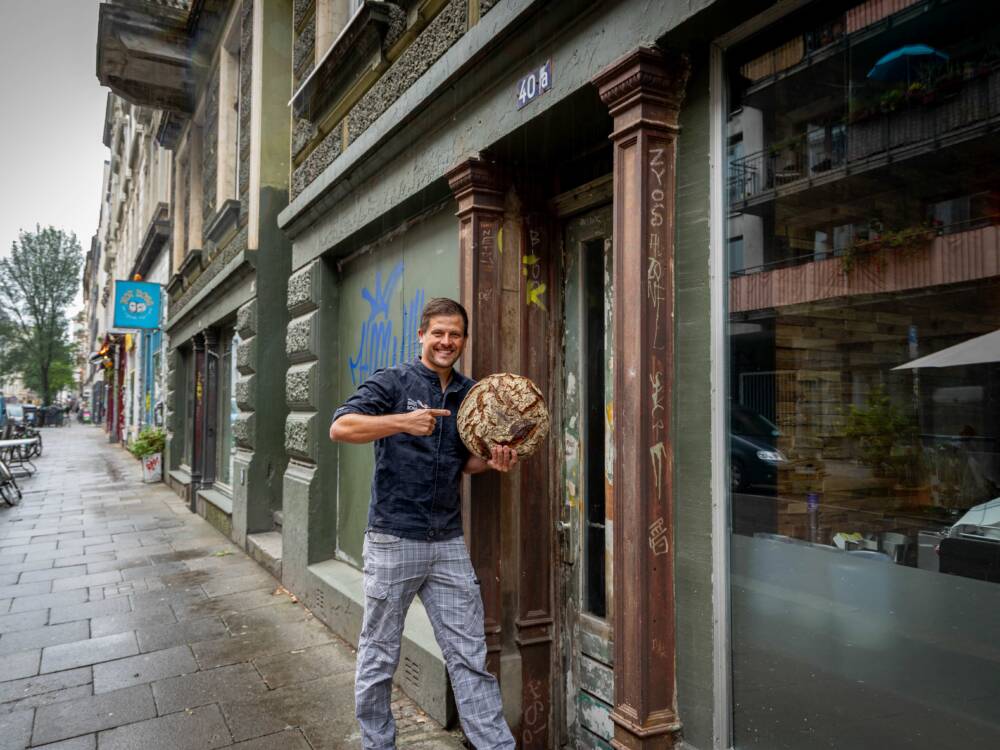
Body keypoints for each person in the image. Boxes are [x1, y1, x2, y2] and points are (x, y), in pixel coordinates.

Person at [330, 297, 516, 750]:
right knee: (379, 655)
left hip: (447, 542)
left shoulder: (471, 395)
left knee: (470, 656)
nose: (446, 341)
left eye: (455, 334)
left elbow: (464, 464)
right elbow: (342, 427)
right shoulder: (393, 381)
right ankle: (378, 745)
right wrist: (402, 422)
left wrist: (493, 461)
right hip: (394, 539)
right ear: (421, 336)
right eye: (438, 333)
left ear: (464, 340)